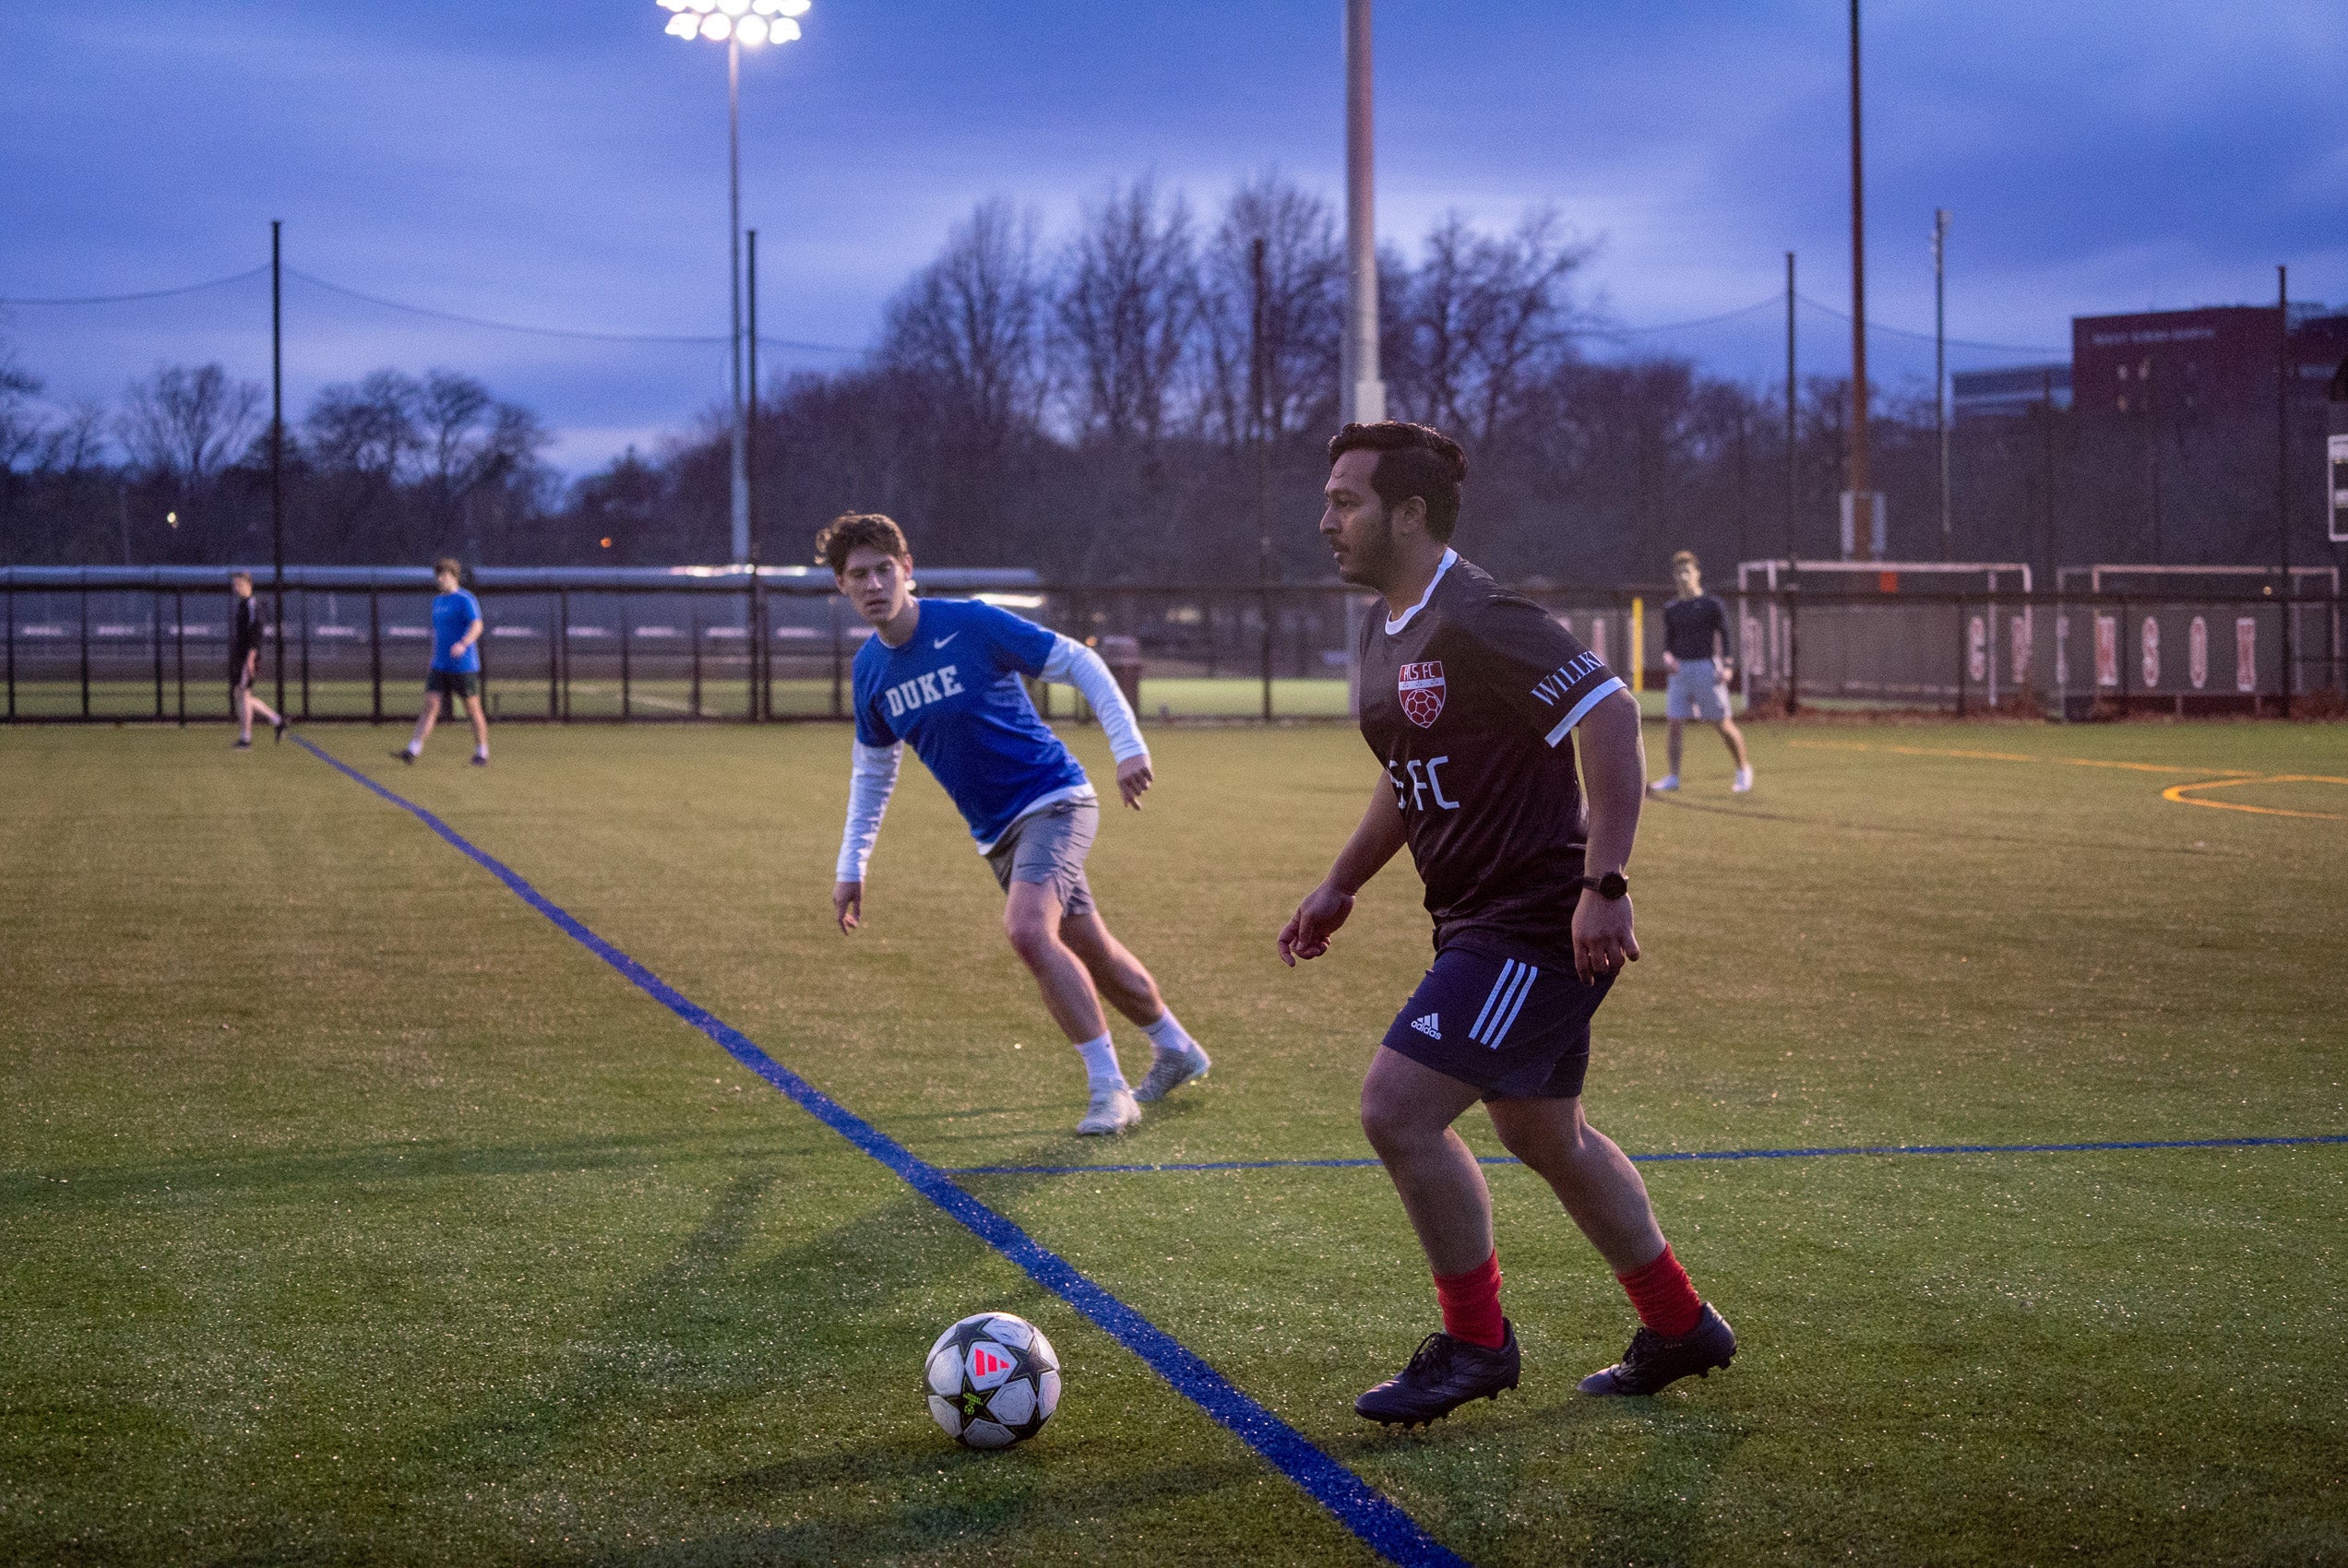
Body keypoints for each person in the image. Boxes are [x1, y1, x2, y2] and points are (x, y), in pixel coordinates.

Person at [1279, 422, 1734, 1427]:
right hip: (1475, 922)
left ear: (1408, 512)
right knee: (1544, 1130)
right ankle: (1680, 1322)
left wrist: (1604, 881)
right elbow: (1408, 777)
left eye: (1345, 500)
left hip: (1535, 922)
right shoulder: (1382, 627)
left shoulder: (1481, 612)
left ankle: (1476, 1344)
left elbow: (1609, 713)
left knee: (1396, 1108)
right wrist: (1341, 882)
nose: (1325, 520)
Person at [822, 513, 1211, 1136]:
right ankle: (1175, 1048)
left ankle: (1110, 1093)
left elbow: (1077, 661)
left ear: (907, 568)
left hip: (1054, 800)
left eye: (882, 569)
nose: (873, 584)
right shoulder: (869, 671)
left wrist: (1127, 744)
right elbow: (872, 775)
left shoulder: (969, 622)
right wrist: (851, 867)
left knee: (1029, 931)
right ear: (842, 587)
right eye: (857, 575)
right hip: (996, 835)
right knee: (1092, 950)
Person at [1651, 550, 1752, 794]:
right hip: (1680, 672)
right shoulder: (1672, 609)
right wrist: (1667, 656)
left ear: (1697, 573)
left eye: (1687, 571)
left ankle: (1743, 770)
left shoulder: (1711, 605)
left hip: (1705, 668)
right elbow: (1669, 642)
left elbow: (1726, 636)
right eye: (1678, 572)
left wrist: (1727, 666)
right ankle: (1673, 776)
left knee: (1721, 723)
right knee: (1675, 723)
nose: (1683, 576)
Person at [393, 557, 489, 767]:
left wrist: (463, 643)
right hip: (440, 665)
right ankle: (412, 751)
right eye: (438, 575)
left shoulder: (466, 599)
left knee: (472, 709)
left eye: (444, 575)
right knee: (430, 706)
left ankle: (482, 752)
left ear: (454, 577)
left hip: (463, 666)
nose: (440, 579)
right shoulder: (437, 602)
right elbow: (438, 634)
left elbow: (477, 625)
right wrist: (433, 658)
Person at [228, 571, 286, 748]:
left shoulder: (254, 603)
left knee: (244, 694)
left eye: (238, 584)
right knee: (241, 694)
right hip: (241, 655)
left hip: (248, 655)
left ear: (248, 584)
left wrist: (251, 657)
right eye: (234, 584)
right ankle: (278, 720)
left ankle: (246, 739)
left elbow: (256, 632)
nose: (235, 587)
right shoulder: (242, 604)